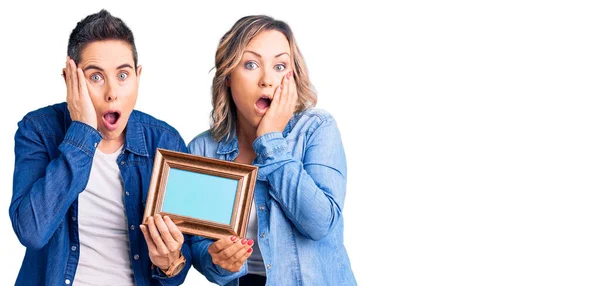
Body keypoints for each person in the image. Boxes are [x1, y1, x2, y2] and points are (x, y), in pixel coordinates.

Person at [9, 9, 249, 285]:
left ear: (138, 76)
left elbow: (180, 268)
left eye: (122, 76)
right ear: (70, 79)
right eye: (95, 77)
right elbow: (31, 232)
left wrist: (169, 262)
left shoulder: (164, 141)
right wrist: (83, 133)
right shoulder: (38, 130)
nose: (112, 92)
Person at [188, 15, 357, 285]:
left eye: (280, 66)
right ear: (228, 75)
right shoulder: (203, 148)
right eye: (251, 64)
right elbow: (198, 245)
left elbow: (320, 224)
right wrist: (217, 259)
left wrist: (270, 141)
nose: (267, 80)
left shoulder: (316, 129)